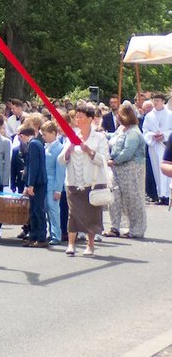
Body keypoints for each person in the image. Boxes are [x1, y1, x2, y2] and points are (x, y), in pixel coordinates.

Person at [58, 105, 110, 257]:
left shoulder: (99, 137)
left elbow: (104, 160)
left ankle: (90, 244)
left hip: (92, 182)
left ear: (90, 119)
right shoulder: (72, 136)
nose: (78, 119)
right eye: (77, 117)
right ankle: (71, 244)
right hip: (73, 181)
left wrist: (88, 151)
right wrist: (68, 151)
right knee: (73, 213)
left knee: (91, 214)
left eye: (81, 117)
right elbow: (61, 160)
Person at [105, 103, 147, 239]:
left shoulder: (134, 132)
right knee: (115, 197)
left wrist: (114, 161)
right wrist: (103, 135)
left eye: (120, 115)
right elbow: (112, 138)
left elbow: (128, 151)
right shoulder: (121, 129)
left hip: (132, 169)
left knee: (132, 198)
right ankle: (114, 227)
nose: (117, 117)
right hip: (116, 169)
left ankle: (135, 229)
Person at [19, 126, 48, 247]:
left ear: (22, 136)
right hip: (38, 182)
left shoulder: (33, 144)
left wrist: (30, 184)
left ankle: (41, 238)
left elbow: (33, 165)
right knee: (34, 210)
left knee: (37, 210)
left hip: (37, 183)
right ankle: (34, 236)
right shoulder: (37, 143)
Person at [142, 93, 171, 206]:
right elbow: (145, 130)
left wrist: (164, 135)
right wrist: (152, 136)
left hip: (166, 146)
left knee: (166, 171)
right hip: (154, 145)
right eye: (154, 100)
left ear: (163, 101)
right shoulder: (149, 116)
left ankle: (168, 195)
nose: (155, 103)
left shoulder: (169, 114)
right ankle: (160, 195)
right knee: (156, 170)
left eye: (158, 100)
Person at [40, 121, 66, 246]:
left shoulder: (60, 148)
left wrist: (58, 189)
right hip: (45, 184)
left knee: (54, 210)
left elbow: (60, 171)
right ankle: (51, 233)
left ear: (53, 133)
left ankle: (56, 235)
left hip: (53, 184)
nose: (43, 137)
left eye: (45, 134)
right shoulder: (47, 147)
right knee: (47, 210)